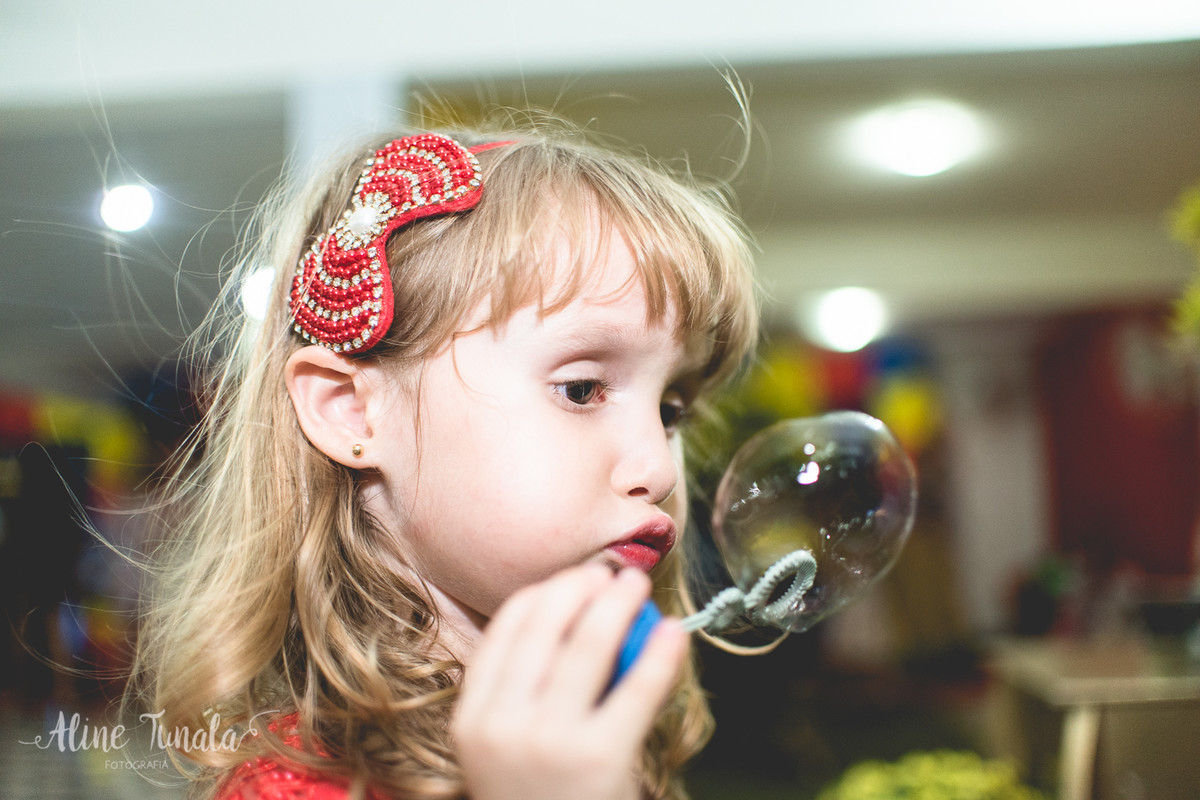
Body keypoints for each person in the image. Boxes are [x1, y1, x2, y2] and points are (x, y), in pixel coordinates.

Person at [131, 119, 758, 800]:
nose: (659, 471)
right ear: (352, 411)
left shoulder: (605, 747)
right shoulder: (291, 791)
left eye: (670, 411)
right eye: (581, 389)